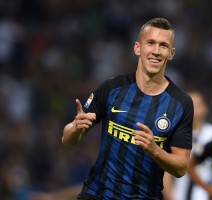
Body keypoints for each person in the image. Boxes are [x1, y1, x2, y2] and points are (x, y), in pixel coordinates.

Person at [62, 18, 193, 200]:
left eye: (163, 46)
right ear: (137, 48)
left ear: (171, 53)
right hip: (97, 194)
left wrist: (155, 150)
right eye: (150, 43)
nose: (156, 51)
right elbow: (68, 140)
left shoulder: (181, 103)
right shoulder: (112, 88)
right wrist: (75, 129)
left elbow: (181, 167)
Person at [163, 91, 212, 200]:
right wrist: (170, 197)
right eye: (186, 104)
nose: (190, 108)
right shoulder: (171, 136)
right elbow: (165, 173)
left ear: (205, 108)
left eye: (195, 104)